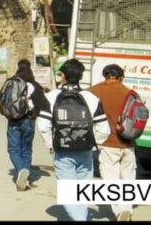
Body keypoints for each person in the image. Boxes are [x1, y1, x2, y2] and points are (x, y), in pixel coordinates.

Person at [37, 59, 110, 221]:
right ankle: (81, 216)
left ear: (62, 76)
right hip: (85, 151)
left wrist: (50, 145)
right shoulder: (92, 98)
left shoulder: (50, 97)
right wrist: (93, 144)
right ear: (81, 76)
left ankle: (80, 219)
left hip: (62, 151)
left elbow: (43, 126)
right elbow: (104, 129)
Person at [89, 64, 136, 222]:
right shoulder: (131, 93)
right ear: (121, 77)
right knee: (128, 178)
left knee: (111, 178)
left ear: (105, 76)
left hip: (107, 143)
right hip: (128, 143)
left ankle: (119, 211)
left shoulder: (94, 91)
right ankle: (127, 209)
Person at [0, 59, 50, 192]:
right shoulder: (34, 85)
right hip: (28, 120)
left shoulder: (10, 82)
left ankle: (21, 169)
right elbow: (44, 105)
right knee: (26, 149)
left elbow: (0, 97)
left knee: (13, 149)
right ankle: (25, 174)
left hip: (13, 120)